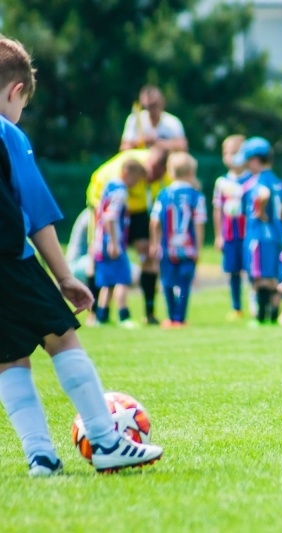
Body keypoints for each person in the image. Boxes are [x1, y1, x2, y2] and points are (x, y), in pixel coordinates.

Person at [0, 36, 163, 476]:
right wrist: (65, 276)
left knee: (9, 358)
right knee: (62, 339)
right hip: (9, 261)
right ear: (16, 92)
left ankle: (40, 457)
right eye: (23, 105)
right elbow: (35, 213)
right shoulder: (6, 133)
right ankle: (107, 440)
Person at [86, 146, 171, 324]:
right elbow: (105, 210)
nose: (150, 178)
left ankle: (148, 313)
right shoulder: (119, 178)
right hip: (108, 218)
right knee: (105, 266)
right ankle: (98, 313)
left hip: (136, 212)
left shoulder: (162, 171)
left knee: (147, 256)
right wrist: (111, 240)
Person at [234, 136, 282, 325]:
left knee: (260, 277)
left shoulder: (258, 180)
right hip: (276, 234)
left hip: (260, 234)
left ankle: (261, 317)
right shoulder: (277, 180)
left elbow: (263, 194)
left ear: (254, 160)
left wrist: (260, 212)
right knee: (273, 275)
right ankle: (273, 314)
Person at [149, 152, 207, 328]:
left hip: (167, 249)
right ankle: (180, 318)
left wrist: (154, 243)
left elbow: (155, 221)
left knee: (167, 282)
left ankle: (170, 316)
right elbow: (199, 224)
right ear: (191, 172)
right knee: (184, 284)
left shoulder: (164, 194)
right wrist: (198, 247)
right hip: (187, 249)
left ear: (170, 172)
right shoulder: (196, 196)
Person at [92, 158, 147, 328]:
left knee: (107, 281)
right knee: (123, 278)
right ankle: (124, 316)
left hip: (101, 240)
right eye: (135, 179)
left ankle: (101, 316)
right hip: (112, 241)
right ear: (126, 173)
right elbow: (111, 217)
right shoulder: (120, 190)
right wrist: (115, 243)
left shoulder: (108, 187)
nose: (135, 184)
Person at [212, 134, 248, 319]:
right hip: (230, 234)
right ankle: (236, 307)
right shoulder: (222, 182)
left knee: (252, 270)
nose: (230, 156)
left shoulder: (251, 179)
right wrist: (219, 235)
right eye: (226, 153)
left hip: (248, 233)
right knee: (233, 271)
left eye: (234, 152)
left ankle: (256, 304)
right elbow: (217, 210)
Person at [120, 85, 187, 152]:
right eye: (147, 106)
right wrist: (142, 142)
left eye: (153, 105)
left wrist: (157, 142)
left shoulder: (172, 122)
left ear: (162, 102)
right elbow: (124, 148)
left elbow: (182, 146)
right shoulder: (134, 119)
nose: (151, 109)